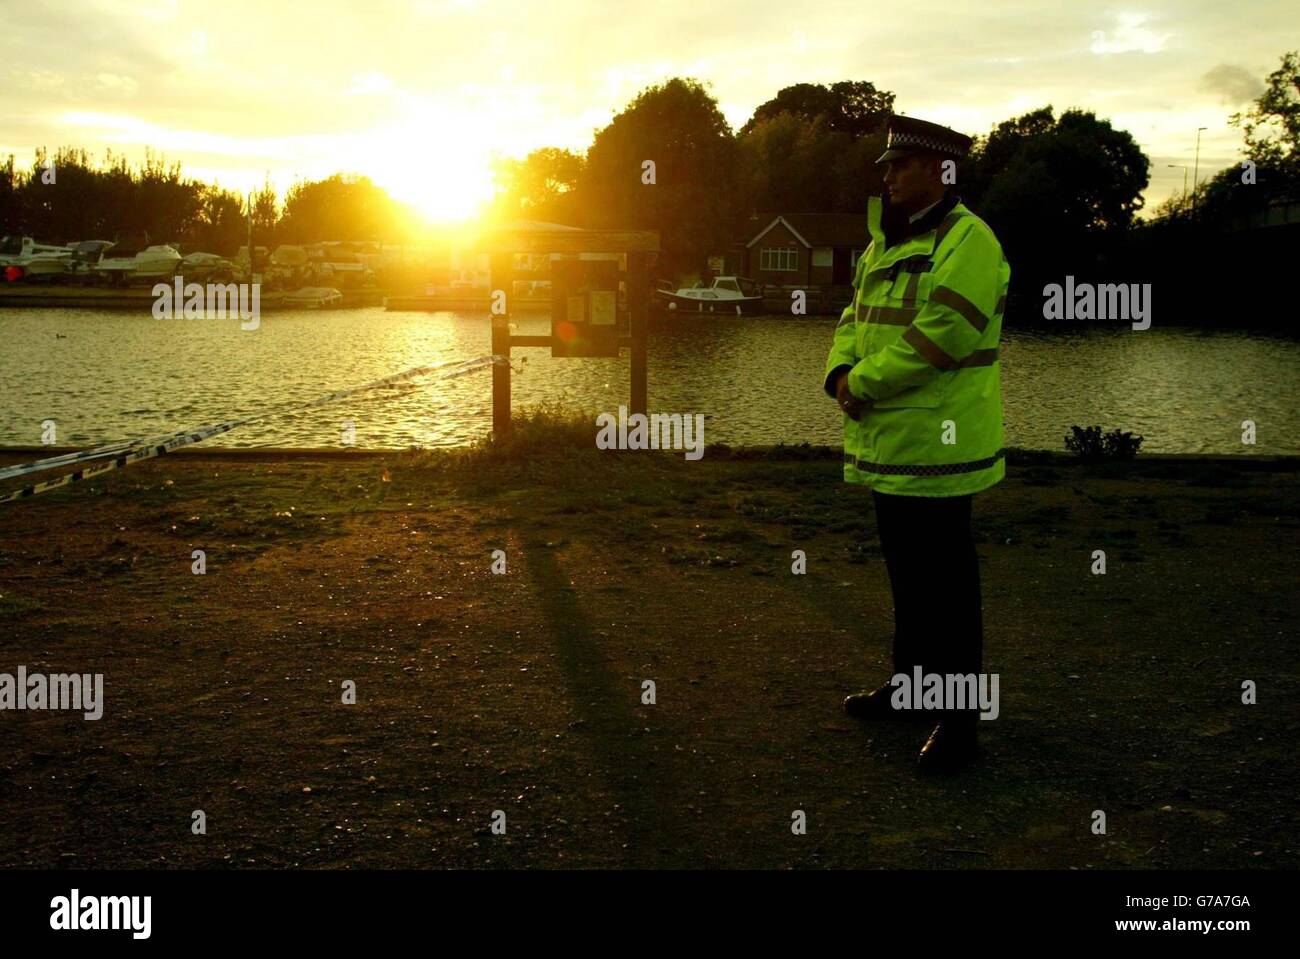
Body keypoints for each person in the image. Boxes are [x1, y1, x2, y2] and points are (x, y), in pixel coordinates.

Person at [823, 115, 1010, 773]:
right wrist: (840, 373)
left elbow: (944, 335)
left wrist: (862, 384)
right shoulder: (885, 244)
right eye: (887, 165)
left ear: (943, 170)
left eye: (901, 164)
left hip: (941, 445)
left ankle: (958, 726)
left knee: (950, 594)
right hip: (892, 446)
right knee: (910, 583)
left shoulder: (970, 240)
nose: (888, 174)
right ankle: (910, 689)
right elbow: (853, 317)